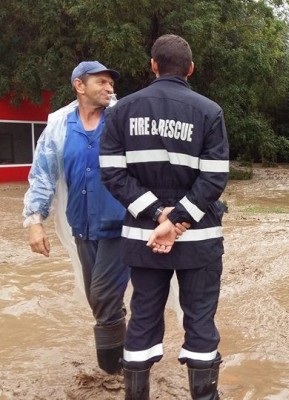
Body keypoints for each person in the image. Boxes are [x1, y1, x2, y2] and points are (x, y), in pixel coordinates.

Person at [100, 34, 229, 400]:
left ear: (153, 65)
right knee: (201, 320)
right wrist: (179, 219)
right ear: (190, 69)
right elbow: (215, 176)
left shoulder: (120, 111)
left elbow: (111, 172)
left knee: (142, 317)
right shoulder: (209, 111)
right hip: (199, 239)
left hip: (144, 237)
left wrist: (159, 215)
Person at [22, 61, 128, 374]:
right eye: (101, 82)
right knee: (97, 296)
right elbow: (42, 174)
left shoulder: (123, 119)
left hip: (121, 225)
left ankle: (114, 371)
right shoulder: (58, 125)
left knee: (103, 294)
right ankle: (125, 349)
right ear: (79, 86)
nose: (109, 88)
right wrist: (35, 222)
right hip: (81, 226)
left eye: (111, 83)